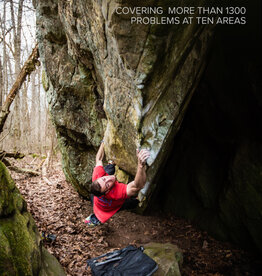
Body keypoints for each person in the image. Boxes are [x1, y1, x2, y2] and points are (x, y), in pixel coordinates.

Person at [84, 141, 150, 227]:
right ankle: (136, 201)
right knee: (128, 203)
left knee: (108, 170)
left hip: (97, 200)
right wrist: (141, 165)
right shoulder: (116, 193)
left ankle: (111, 164)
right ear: (107, 191)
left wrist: (103, 142)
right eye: (107, 185)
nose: (109, 179)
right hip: (110, 206)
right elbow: (138, 186)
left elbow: (98, 159)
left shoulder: (97, 177)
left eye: (104, 179)